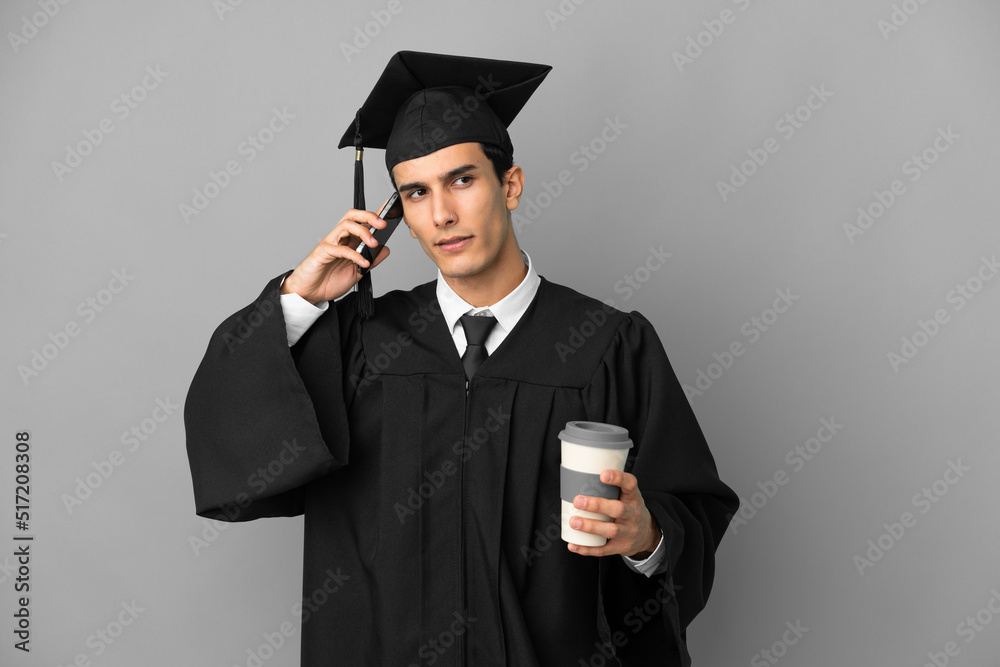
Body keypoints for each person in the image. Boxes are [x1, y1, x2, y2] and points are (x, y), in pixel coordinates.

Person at [185, 51, 737, 667]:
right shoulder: (361, 345)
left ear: (510, 185)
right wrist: (300, 297)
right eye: (416, 193)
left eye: (462, 180)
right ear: (401, 215)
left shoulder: (607, 345)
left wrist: (646, 536)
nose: (442, 214)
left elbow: (691, 511)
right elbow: (232, 451)